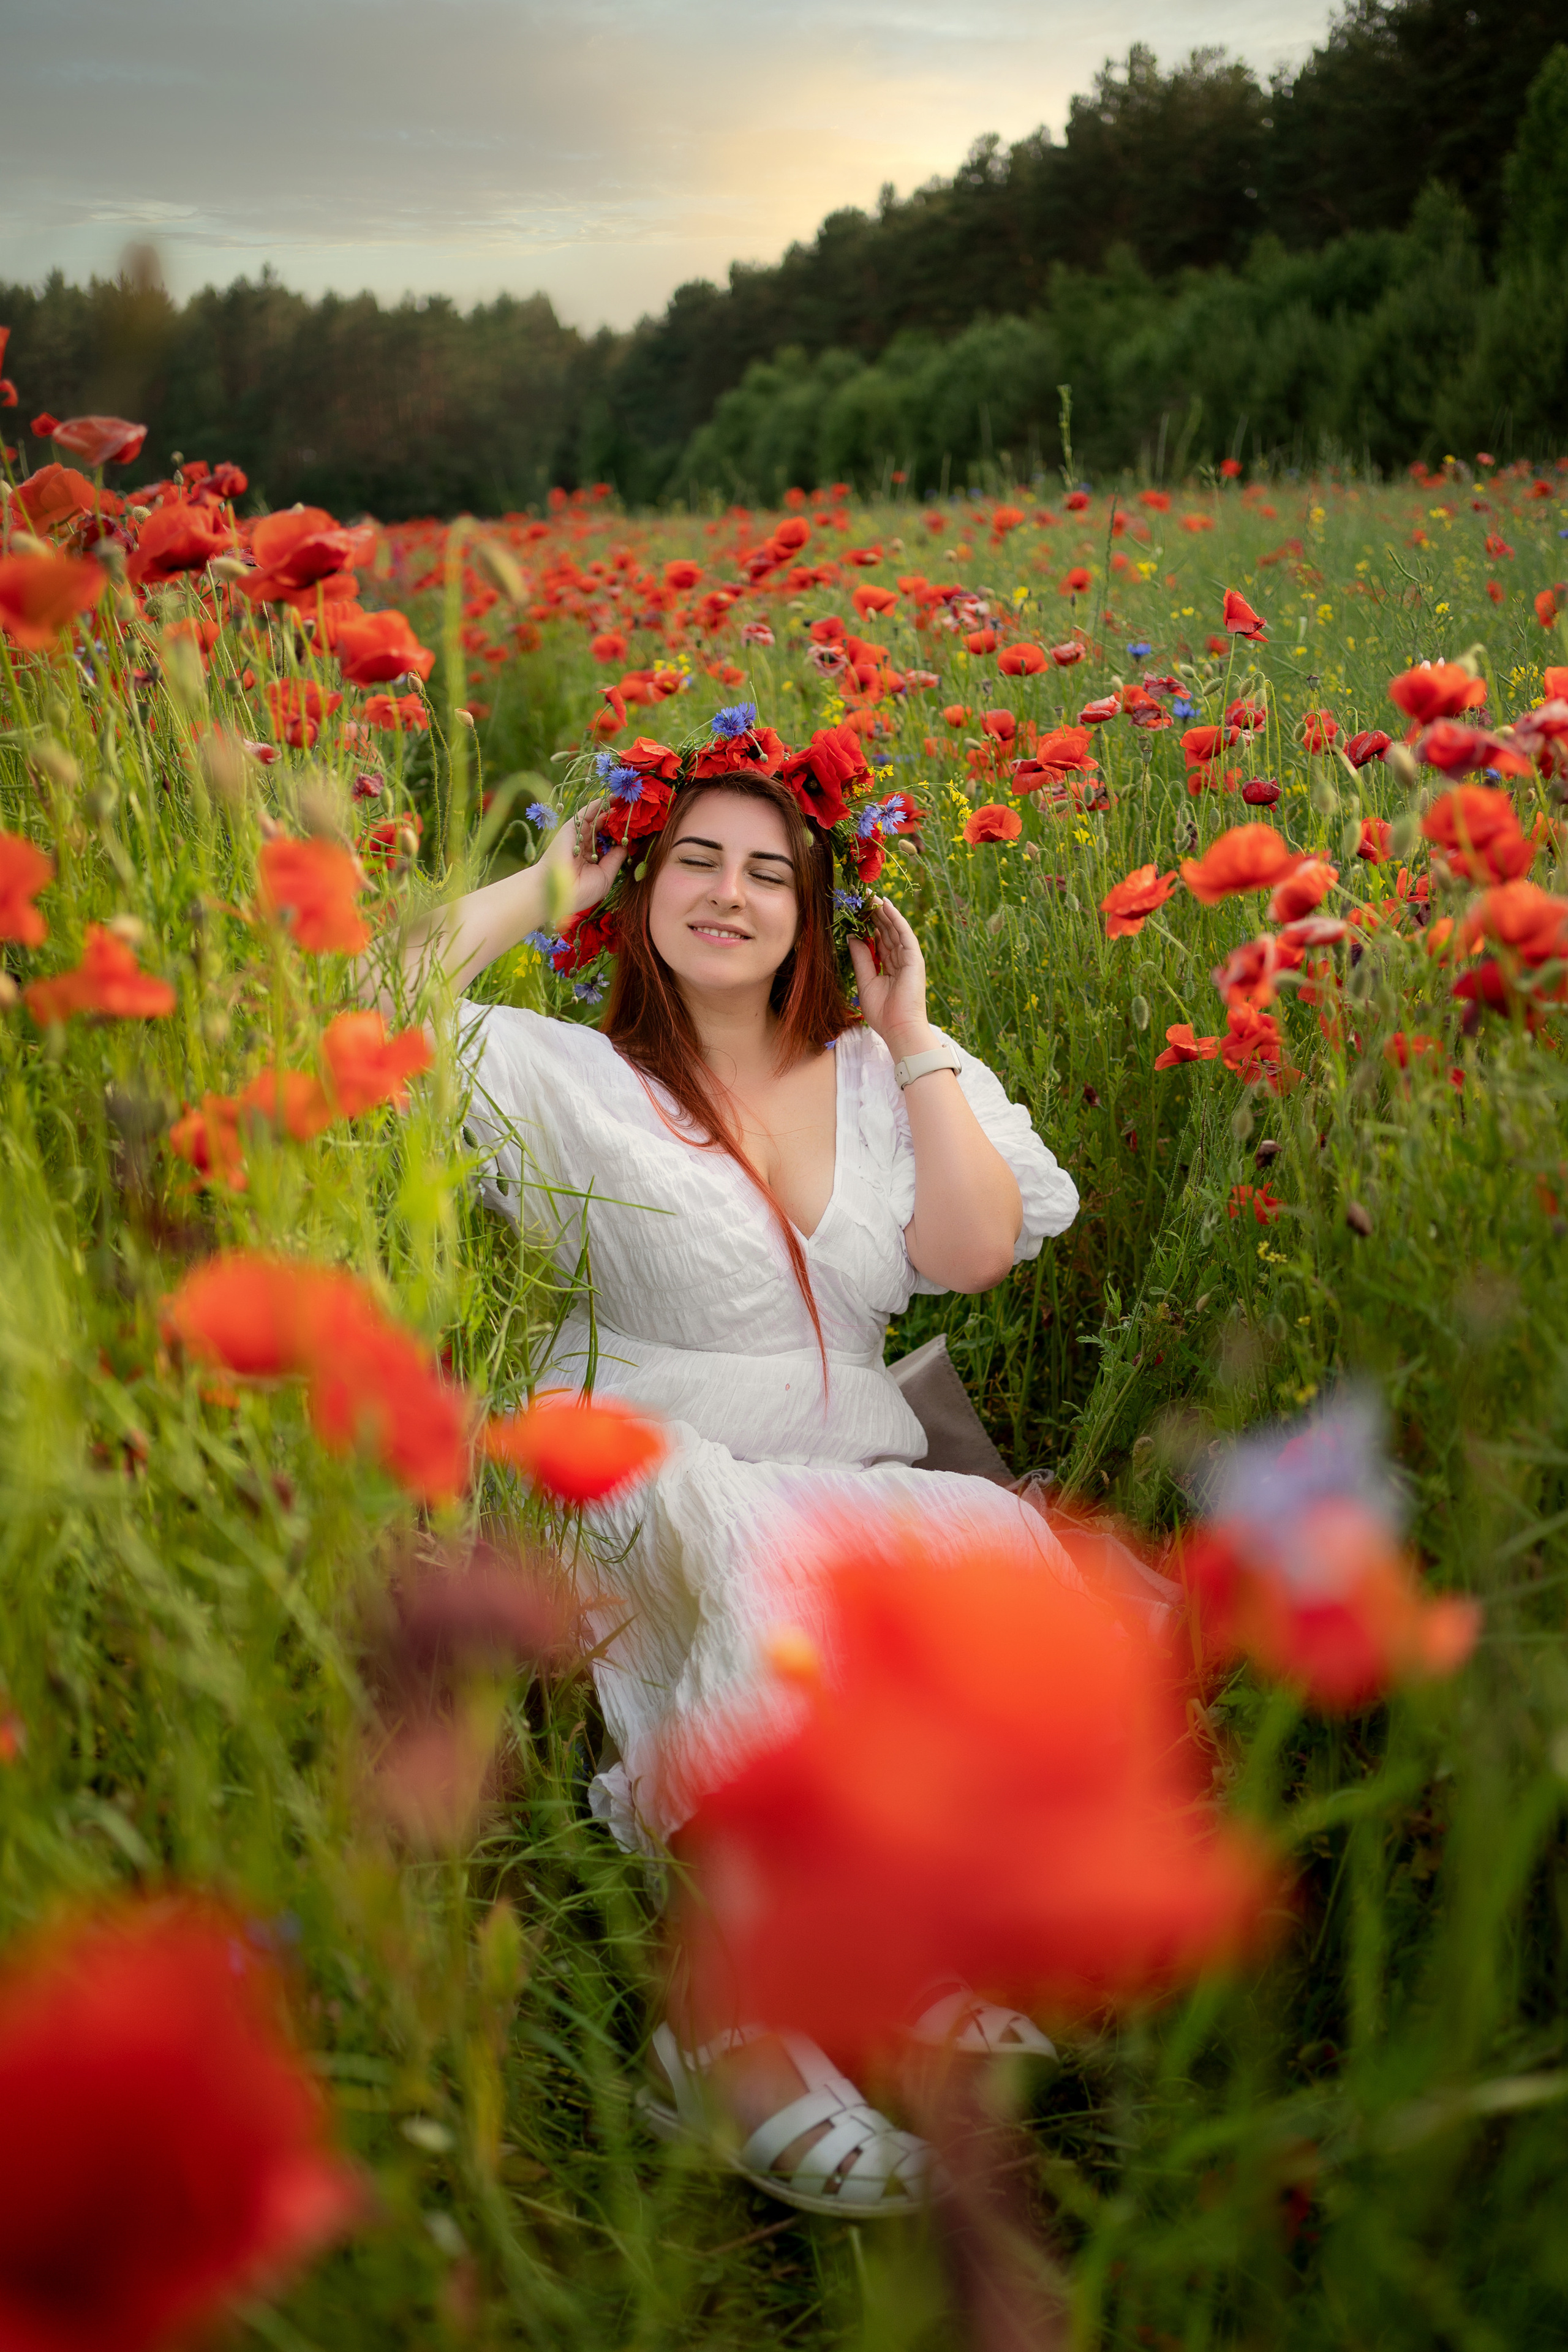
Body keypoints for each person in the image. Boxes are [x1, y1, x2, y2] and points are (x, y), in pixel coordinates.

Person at [393, 710, 1080, 2217]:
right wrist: (535, 892)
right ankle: (724, 2030)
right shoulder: (559, 1072)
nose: (726, 891)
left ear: (814, 911)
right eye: (689, 859)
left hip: (849, 1452)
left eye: (768, 872)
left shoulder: (869, 1070)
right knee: (779, 1562)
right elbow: (349, 999)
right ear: (637, 895)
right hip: (642, 1455)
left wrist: (907, 1039)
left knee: (976, 1551)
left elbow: (968, 1253)